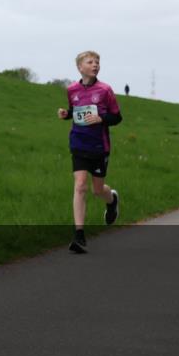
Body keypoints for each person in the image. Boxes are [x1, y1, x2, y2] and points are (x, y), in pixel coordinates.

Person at [57, 51, 122, 254]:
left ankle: (112, 200)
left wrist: (101, 119)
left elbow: (117, 117)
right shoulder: (72, 89)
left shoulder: (105, 90)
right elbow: (74, 111)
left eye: (97, 62)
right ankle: (79, 235)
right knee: (80, 186)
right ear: (80, 67)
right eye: (90, 62)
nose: (95, 65)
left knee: (97, 190)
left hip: (99, 147)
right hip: (78, 143)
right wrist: (66, 114)